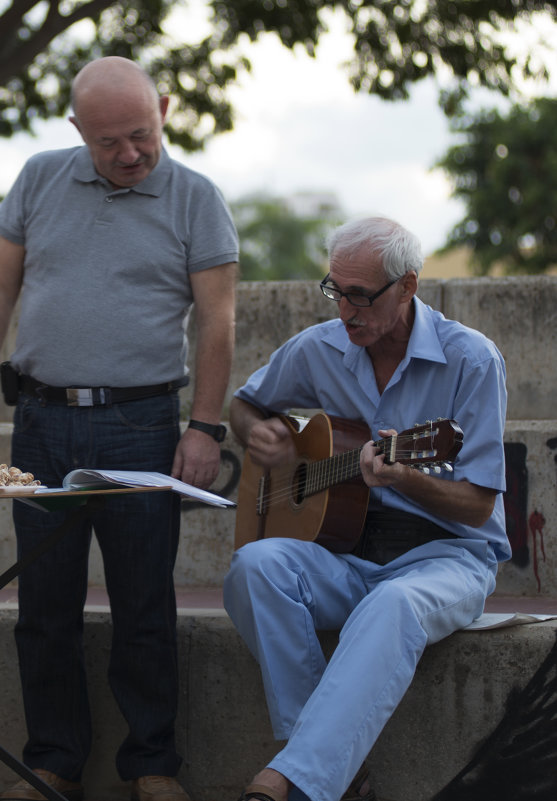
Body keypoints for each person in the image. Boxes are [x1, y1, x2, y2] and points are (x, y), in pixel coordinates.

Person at [0, 57, 238, 801]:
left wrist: (204, 425)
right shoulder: (40, 177)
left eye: (140, 135)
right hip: (41, 421)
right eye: (108, 141)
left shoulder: (196, 198)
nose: (128, 154)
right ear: (77, 129)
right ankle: (50, 763)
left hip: (141, 422)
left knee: (144, 602)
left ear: (165, 108)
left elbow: (217, 320)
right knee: (43, 604)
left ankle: (152, 766)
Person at [224, 217, 508, 801]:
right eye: (335, 289)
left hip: (446, 557)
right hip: (346, 552)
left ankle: (294, 780)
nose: (346, 311)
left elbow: (478, 507)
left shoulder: (472, 361)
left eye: (361, 295)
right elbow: (244, 406)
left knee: (393, 602)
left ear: (407, 286)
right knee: (255, 566)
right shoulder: (317, 348)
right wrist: (263, 434)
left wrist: (407, 478)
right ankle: (333, 769)